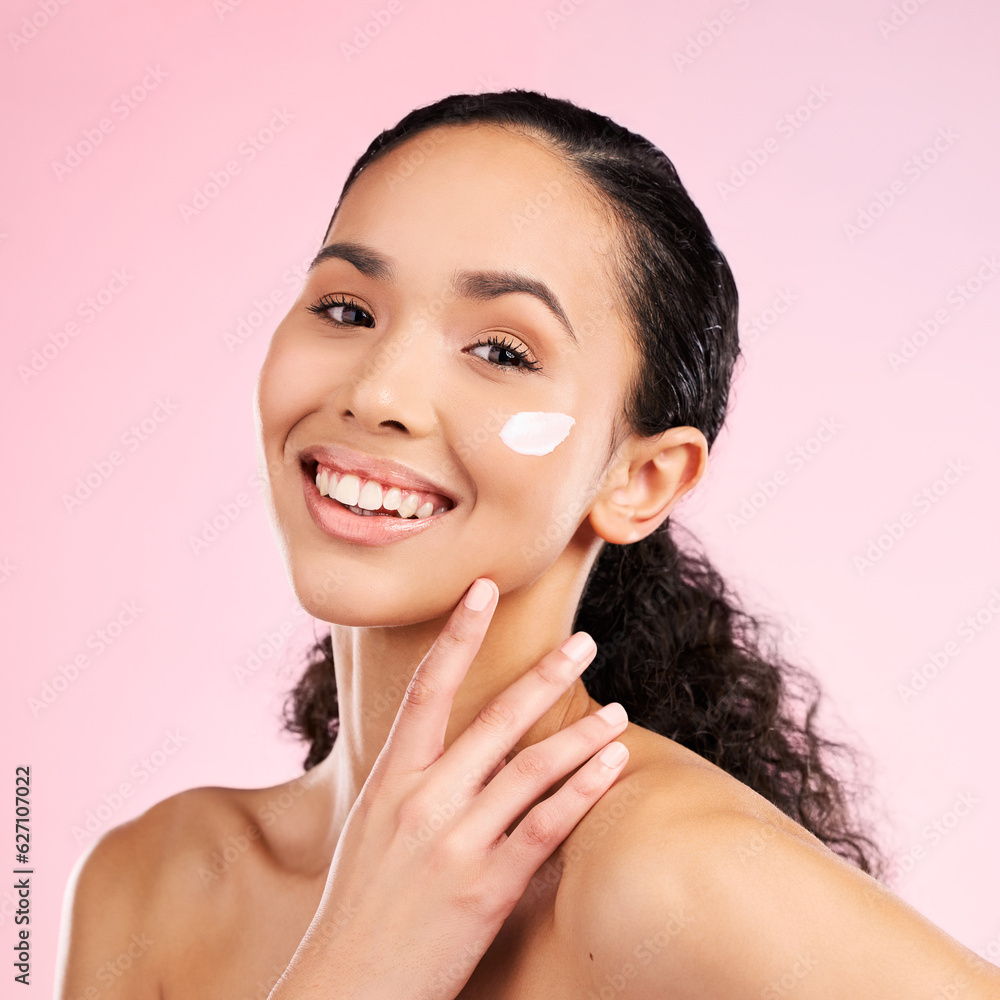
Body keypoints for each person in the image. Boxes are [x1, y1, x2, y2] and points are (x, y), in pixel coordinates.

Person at [55, 89, 1000, 999]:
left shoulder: (668, 877)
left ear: (641, 481)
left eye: (502, 351)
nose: (378, 393)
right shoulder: (153, 883)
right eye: (346, 310)